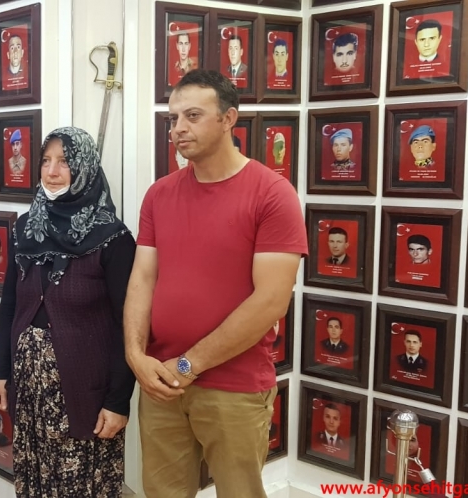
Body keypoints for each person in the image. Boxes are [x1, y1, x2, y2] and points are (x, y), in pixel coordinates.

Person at [124, 69, 306, 498]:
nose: (178, 129)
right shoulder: (159, 194)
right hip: (161, 382)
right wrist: (135, 355)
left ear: (228, 119)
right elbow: (143, 278)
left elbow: (270, 302)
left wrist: (189, 365)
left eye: (192, 116)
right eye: (173, 118)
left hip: (234, 386)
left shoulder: (272, 194)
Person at [0, 126, 136, 497]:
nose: (52, 171)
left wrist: (118, 401)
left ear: (85, 168)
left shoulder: (112, 237)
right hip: (30, 387)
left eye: (65, 162)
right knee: (35, 480)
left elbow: (129, 325)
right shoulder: (26, 227)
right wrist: (2, 373)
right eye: (46, 161)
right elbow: (10, 305)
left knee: (82, 485)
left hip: (85, 392)